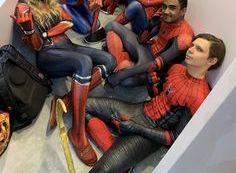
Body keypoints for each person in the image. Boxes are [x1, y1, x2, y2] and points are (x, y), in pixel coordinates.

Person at [11, 0, 117, 167]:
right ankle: (77, 133)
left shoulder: (51, 2)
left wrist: (45, 32)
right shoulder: (24, 7)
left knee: (110, 60)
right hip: (49, 55)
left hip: (68, 46)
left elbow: (67, 23)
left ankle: (66, 99)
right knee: (84, 62)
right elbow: (36, 45)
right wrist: (30, 31)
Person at [85, 33, 226, 172]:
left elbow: (174, 138)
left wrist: (136, 128)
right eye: (193, 45)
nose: (191, 49)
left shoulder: (199, 97)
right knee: (83, 105)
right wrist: (150, 85)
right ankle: (115, 149)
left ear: (211, 61)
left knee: (102, 170)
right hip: (140, 109)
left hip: (151, 133)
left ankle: (120, 157)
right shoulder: (177, 69)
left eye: (199, 49)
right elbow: (157, 95)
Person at [105, 0, 194, 88]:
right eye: (164, 6)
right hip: (147, 48)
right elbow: (141, 39)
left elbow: (157, 64)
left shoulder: (184, 37)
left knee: (127, 81)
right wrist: (150, 24)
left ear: (183, 11)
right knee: (111, 25)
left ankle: (123, 61)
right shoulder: (165, 17)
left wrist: (123, 74)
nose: (166, 11)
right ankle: (117, 64)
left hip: (152, 63)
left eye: (172, 8)